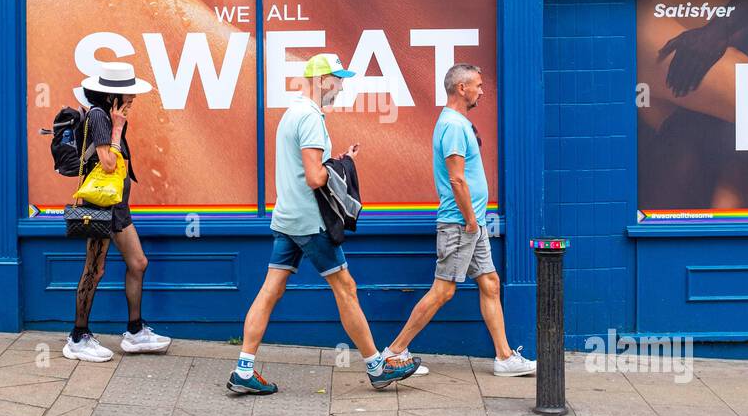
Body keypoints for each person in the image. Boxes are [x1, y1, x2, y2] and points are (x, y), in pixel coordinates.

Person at [227, 53, 420, 395]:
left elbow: (308, 168)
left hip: (287, 217)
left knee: (270, 290)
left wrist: (340, 160)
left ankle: (244, 368)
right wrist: (342, 169)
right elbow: (316, 177)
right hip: (311, 223)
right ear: (323, 80)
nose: (342, 85)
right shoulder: (312, 118)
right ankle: (377, 367)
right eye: (338, 79)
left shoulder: (292, 114)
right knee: (346, 288)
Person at [381, 63, 536, 377]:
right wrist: (470, 221)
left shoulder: (457, 122)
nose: (482, 90)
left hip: (471, 223)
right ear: (461, 88)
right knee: (443, 291)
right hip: (460, 223)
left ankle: (504, 357)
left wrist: (474, 222)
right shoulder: (453, 125)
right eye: (478, 85)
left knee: (490, 283)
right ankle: (394, 353)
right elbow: (457, 180)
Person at [63, 63, 172, 362]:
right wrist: (117, 128)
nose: (132, 102)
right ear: (113, 96)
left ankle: (135, 331)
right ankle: (78, 337)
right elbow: (108, 163)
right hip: (100, 206)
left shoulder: (107, 116)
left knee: (138, 262)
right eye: (128, 97)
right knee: (94, 270)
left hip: (117, 208)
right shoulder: (100, 116)